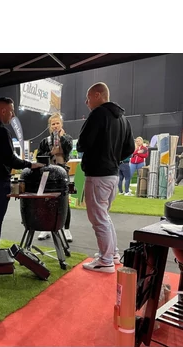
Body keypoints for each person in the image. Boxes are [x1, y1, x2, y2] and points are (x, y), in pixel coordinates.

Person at [76, 83, 135, 273]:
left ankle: (106, 260)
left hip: (98, 174)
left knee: (99, 218)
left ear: (97, 95)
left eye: (88, 98)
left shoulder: (98, 114)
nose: (86, 102)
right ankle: (112, 254)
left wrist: (102, 156)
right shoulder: (123, 118)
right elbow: (130, 148)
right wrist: (113, 158)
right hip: (112, 174)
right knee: (104, 216)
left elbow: (82, 143)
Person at [0, 97, 44, 250]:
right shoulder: (1, 131)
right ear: (3, 110)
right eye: (11, 111)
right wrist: (30, 164)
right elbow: (10, 159)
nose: (13, 115)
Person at [36, 113, 73, 242]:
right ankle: (46, 228)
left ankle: (66, 229)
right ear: (50, 126)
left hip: (62, 172)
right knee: (46, 200)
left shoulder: (67, 138)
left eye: (57, 123)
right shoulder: (45, 141)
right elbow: (39, 157)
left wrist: (62, 138)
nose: (55, 126)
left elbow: (68, 149)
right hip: (48, 173)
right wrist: (50, 153)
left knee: (64, 200)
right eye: (53, 124)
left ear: (61, 124)